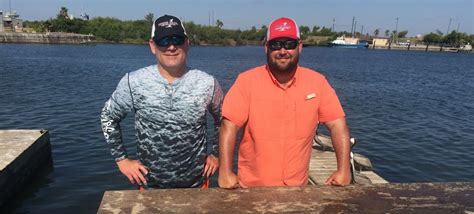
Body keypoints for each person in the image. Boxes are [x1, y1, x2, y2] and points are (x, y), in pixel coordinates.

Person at [218, 17, 351, 189]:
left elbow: (338, 125)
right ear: (266, 47)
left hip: (297, 190)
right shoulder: (246, 82)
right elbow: (228, 127)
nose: (282, 50)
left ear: (300, 46)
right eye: (276, 45)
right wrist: (225, 172)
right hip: (251, 190)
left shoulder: (318, 82)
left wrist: (344, 169)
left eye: (289, 44)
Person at [101, 14, 223, 189]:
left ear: (187, 43)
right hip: (149, 186)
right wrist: (122, 160)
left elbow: (224, 120)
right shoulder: (133, 81)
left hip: (197, 186)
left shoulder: (208, 83)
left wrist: (216, 154)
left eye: (177, 39)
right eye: (163, 41)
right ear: (152, 46)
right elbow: (107, 117)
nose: (171, 47)